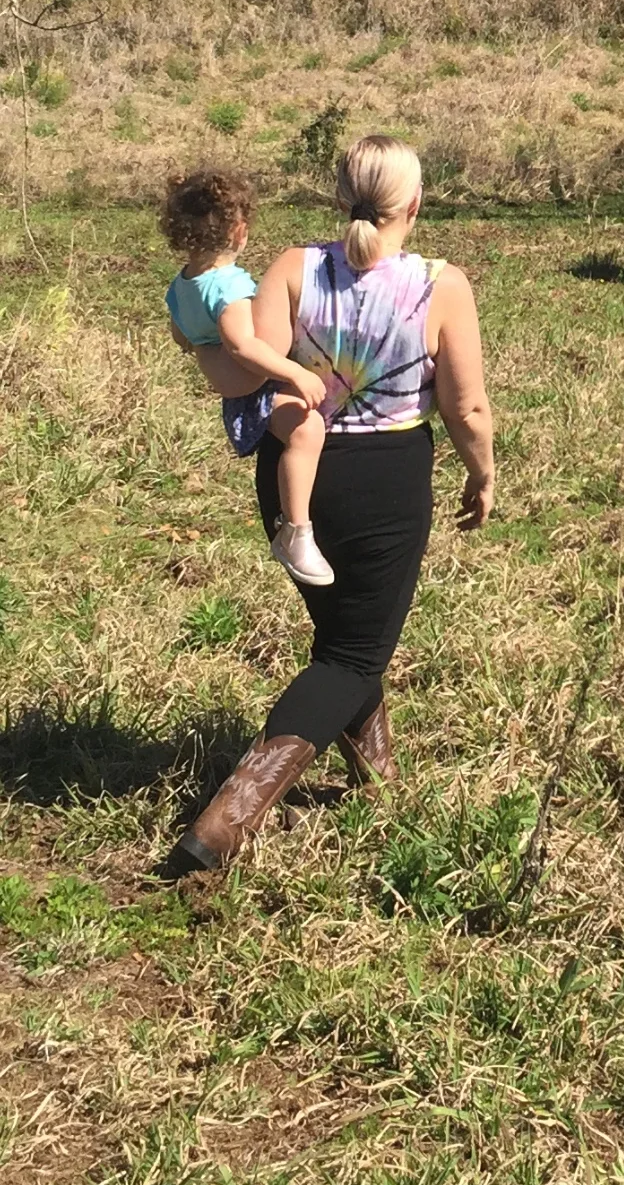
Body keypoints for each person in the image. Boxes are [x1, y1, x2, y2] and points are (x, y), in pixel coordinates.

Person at [171, 134, 495, 872]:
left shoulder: (291, 266)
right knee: (353, 652)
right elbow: (467, 407)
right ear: (415, 203)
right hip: (386, 484)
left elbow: (256, 374)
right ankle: (229, 817)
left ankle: (376, 781)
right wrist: (483, 474)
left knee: (349, 638)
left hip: (296, 481)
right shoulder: (442, 284)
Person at [161, 168, 334, 587]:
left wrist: (205, 350)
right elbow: (243, 346)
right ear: (239, 231)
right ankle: (296, 530)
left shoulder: (182, 283)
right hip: (257, 387)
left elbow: (180, 335)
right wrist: (295, 371)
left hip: (238, 392)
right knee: (306, 431)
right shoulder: (229, 286)